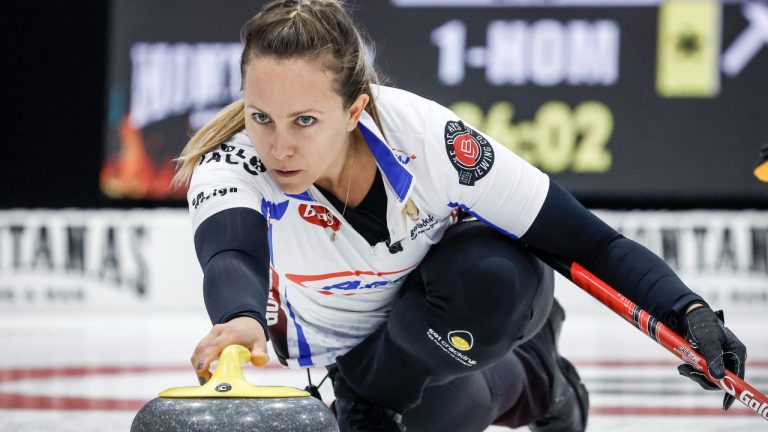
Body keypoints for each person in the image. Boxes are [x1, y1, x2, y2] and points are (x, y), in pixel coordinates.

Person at [173, 1, 747, 430]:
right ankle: (514, 385)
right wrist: (241, 318)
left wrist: (687, 309)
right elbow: (231, 253)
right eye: (261, 117)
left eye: (304, 121)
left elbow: (589, 244)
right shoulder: (229, 162)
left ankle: (541, 382)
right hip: (358, 355)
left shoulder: (428, 139)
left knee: (493, 278)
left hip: (450, 304)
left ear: (355, 110)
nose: (278, 147)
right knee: (449, 411)